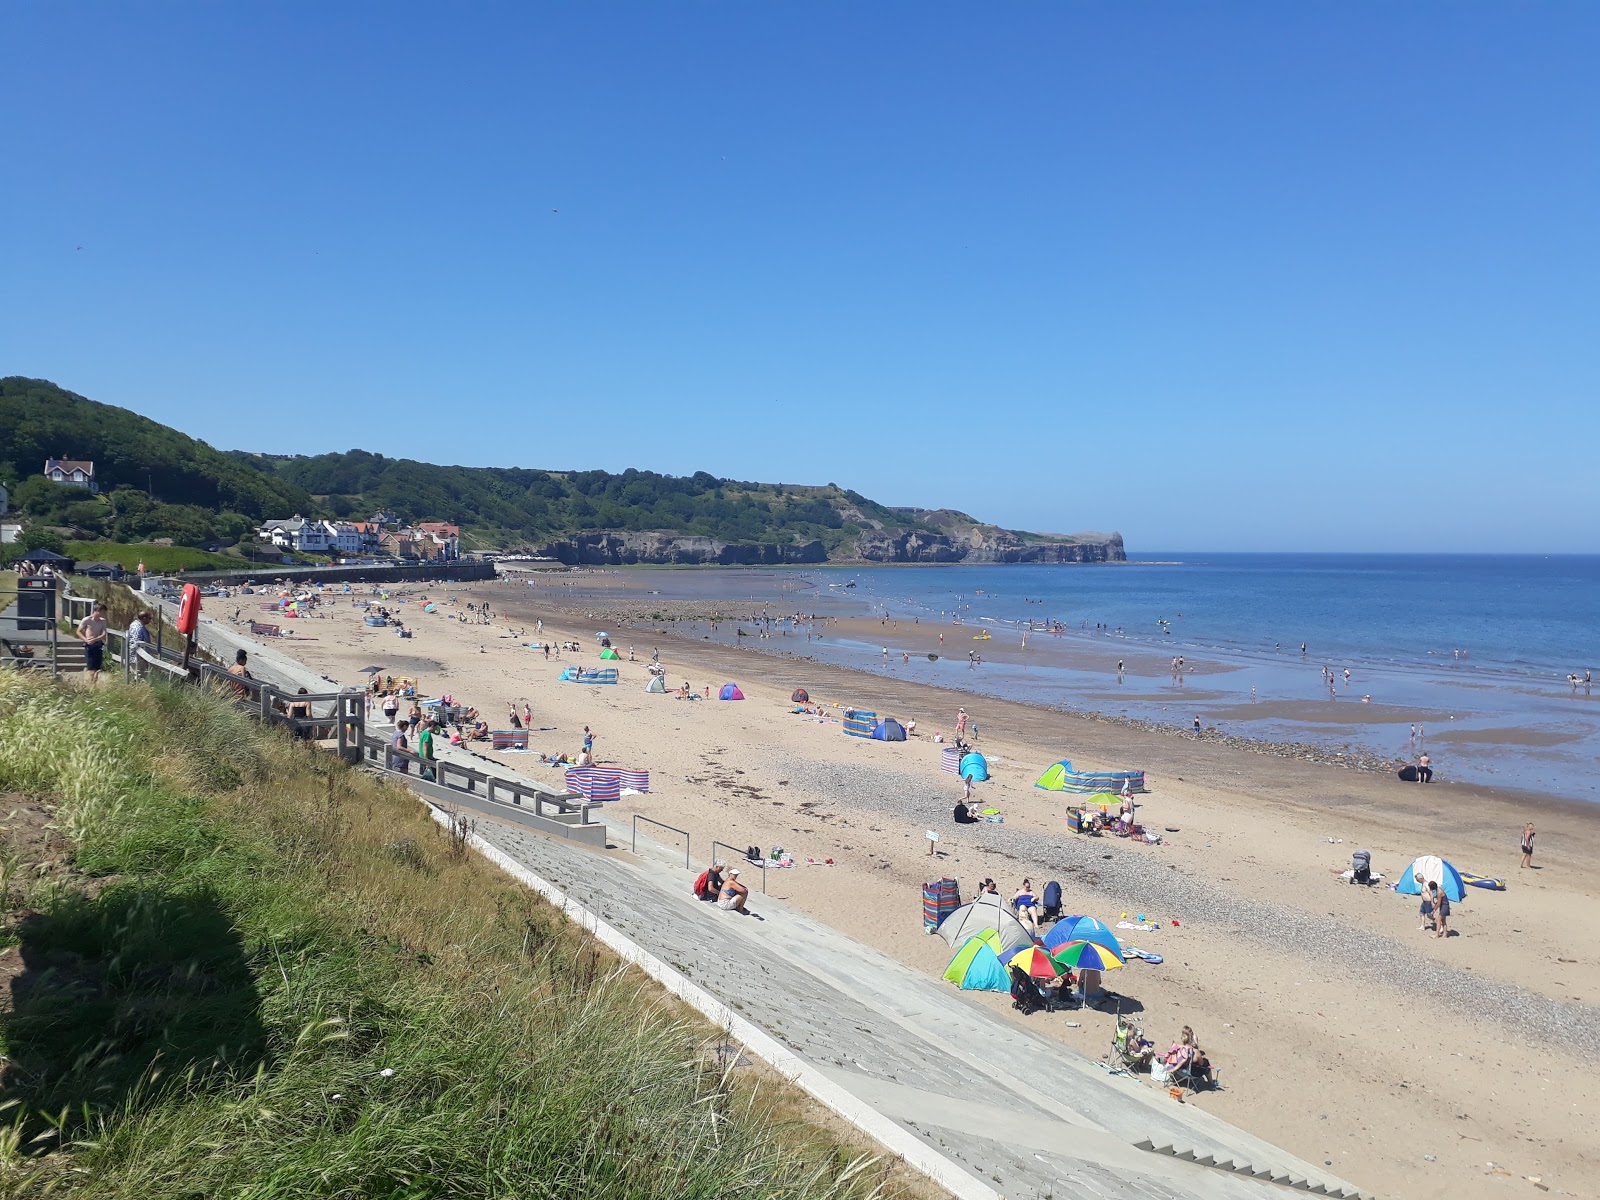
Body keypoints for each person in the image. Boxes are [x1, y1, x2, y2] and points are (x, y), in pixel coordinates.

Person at [76, 603, 109, 683]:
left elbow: (104, 633)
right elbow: (78, 631)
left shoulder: (102, 621)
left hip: (97, 643)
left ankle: (95, 683)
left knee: (97, 667)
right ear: (98, 611)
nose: (104, 614)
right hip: (89, 644)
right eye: (103, 612)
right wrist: (86, 639)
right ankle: (89, 682)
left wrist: (96, 639)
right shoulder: (87, 620)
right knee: (90, 666)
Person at [126, 609, 153, 676]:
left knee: (138, 674)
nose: (150, 620)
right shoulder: (138, 628)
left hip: (139, 656)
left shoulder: (138, 625)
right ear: (144, 618)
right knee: (137, 674)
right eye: (149, 618)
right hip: (137, 657)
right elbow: (136, 642)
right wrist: (141, 655)